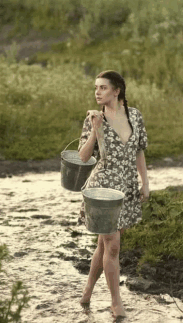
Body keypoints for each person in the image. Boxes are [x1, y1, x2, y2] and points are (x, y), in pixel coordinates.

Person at [78, 70, 149, 319]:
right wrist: (96, 129)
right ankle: (116, 303)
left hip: (127, 186)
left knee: (104, 244)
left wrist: (145, 182)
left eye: (103, 88)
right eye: (96, 88)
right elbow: (84, 157)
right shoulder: (94, 118)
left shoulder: (135, 116)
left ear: (116, 91)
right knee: (113, 245)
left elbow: (139, 151)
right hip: (102, 188)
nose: (97, 92)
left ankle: (87, 292)